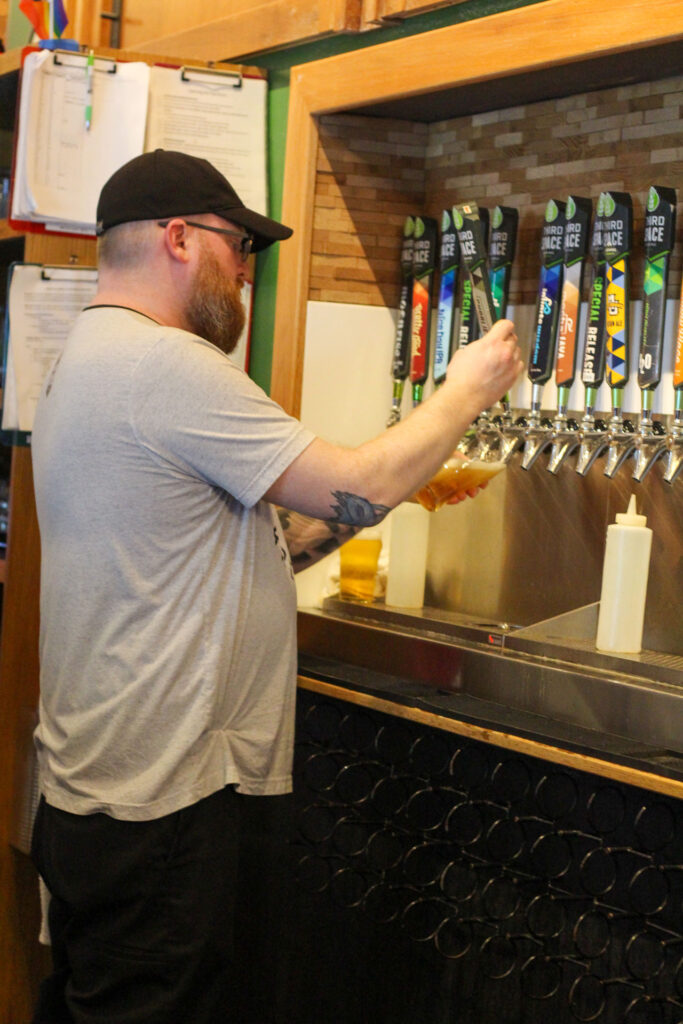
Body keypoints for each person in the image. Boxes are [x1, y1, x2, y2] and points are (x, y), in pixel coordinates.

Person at [29, 149, 523, 1024]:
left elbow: (236, 543)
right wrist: (463, 393)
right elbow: (356, 482)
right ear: (178, 238)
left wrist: (391, 490)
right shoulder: (165, 366)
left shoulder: (89, 357)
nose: (244, 274)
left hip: (106, 794)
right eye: (236, 247)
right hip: (169, 801)